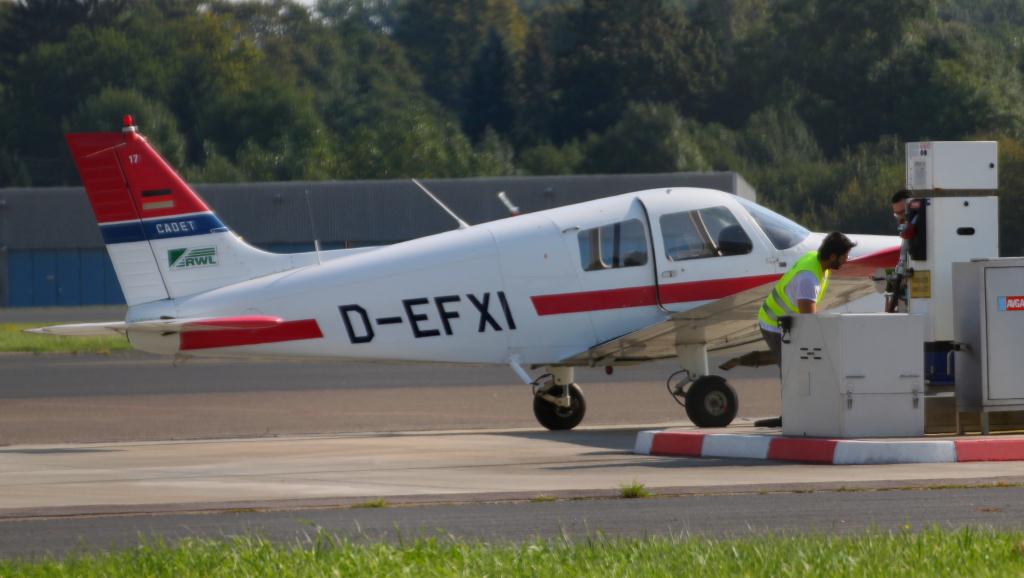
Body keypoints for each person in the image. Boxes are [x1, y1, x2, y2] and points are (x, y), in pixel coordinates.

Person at [755, 231, 858, 427]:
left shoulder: (816, 260)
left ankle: (795, 414)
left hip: (784, 321)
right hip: (773, 324)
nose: (847, 260)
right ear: (833, 256)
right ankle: (790, 417)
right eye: (844, 256)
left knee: (797, 367)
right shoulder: (808, 279)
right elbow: (808, 319)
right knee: (791, 369)